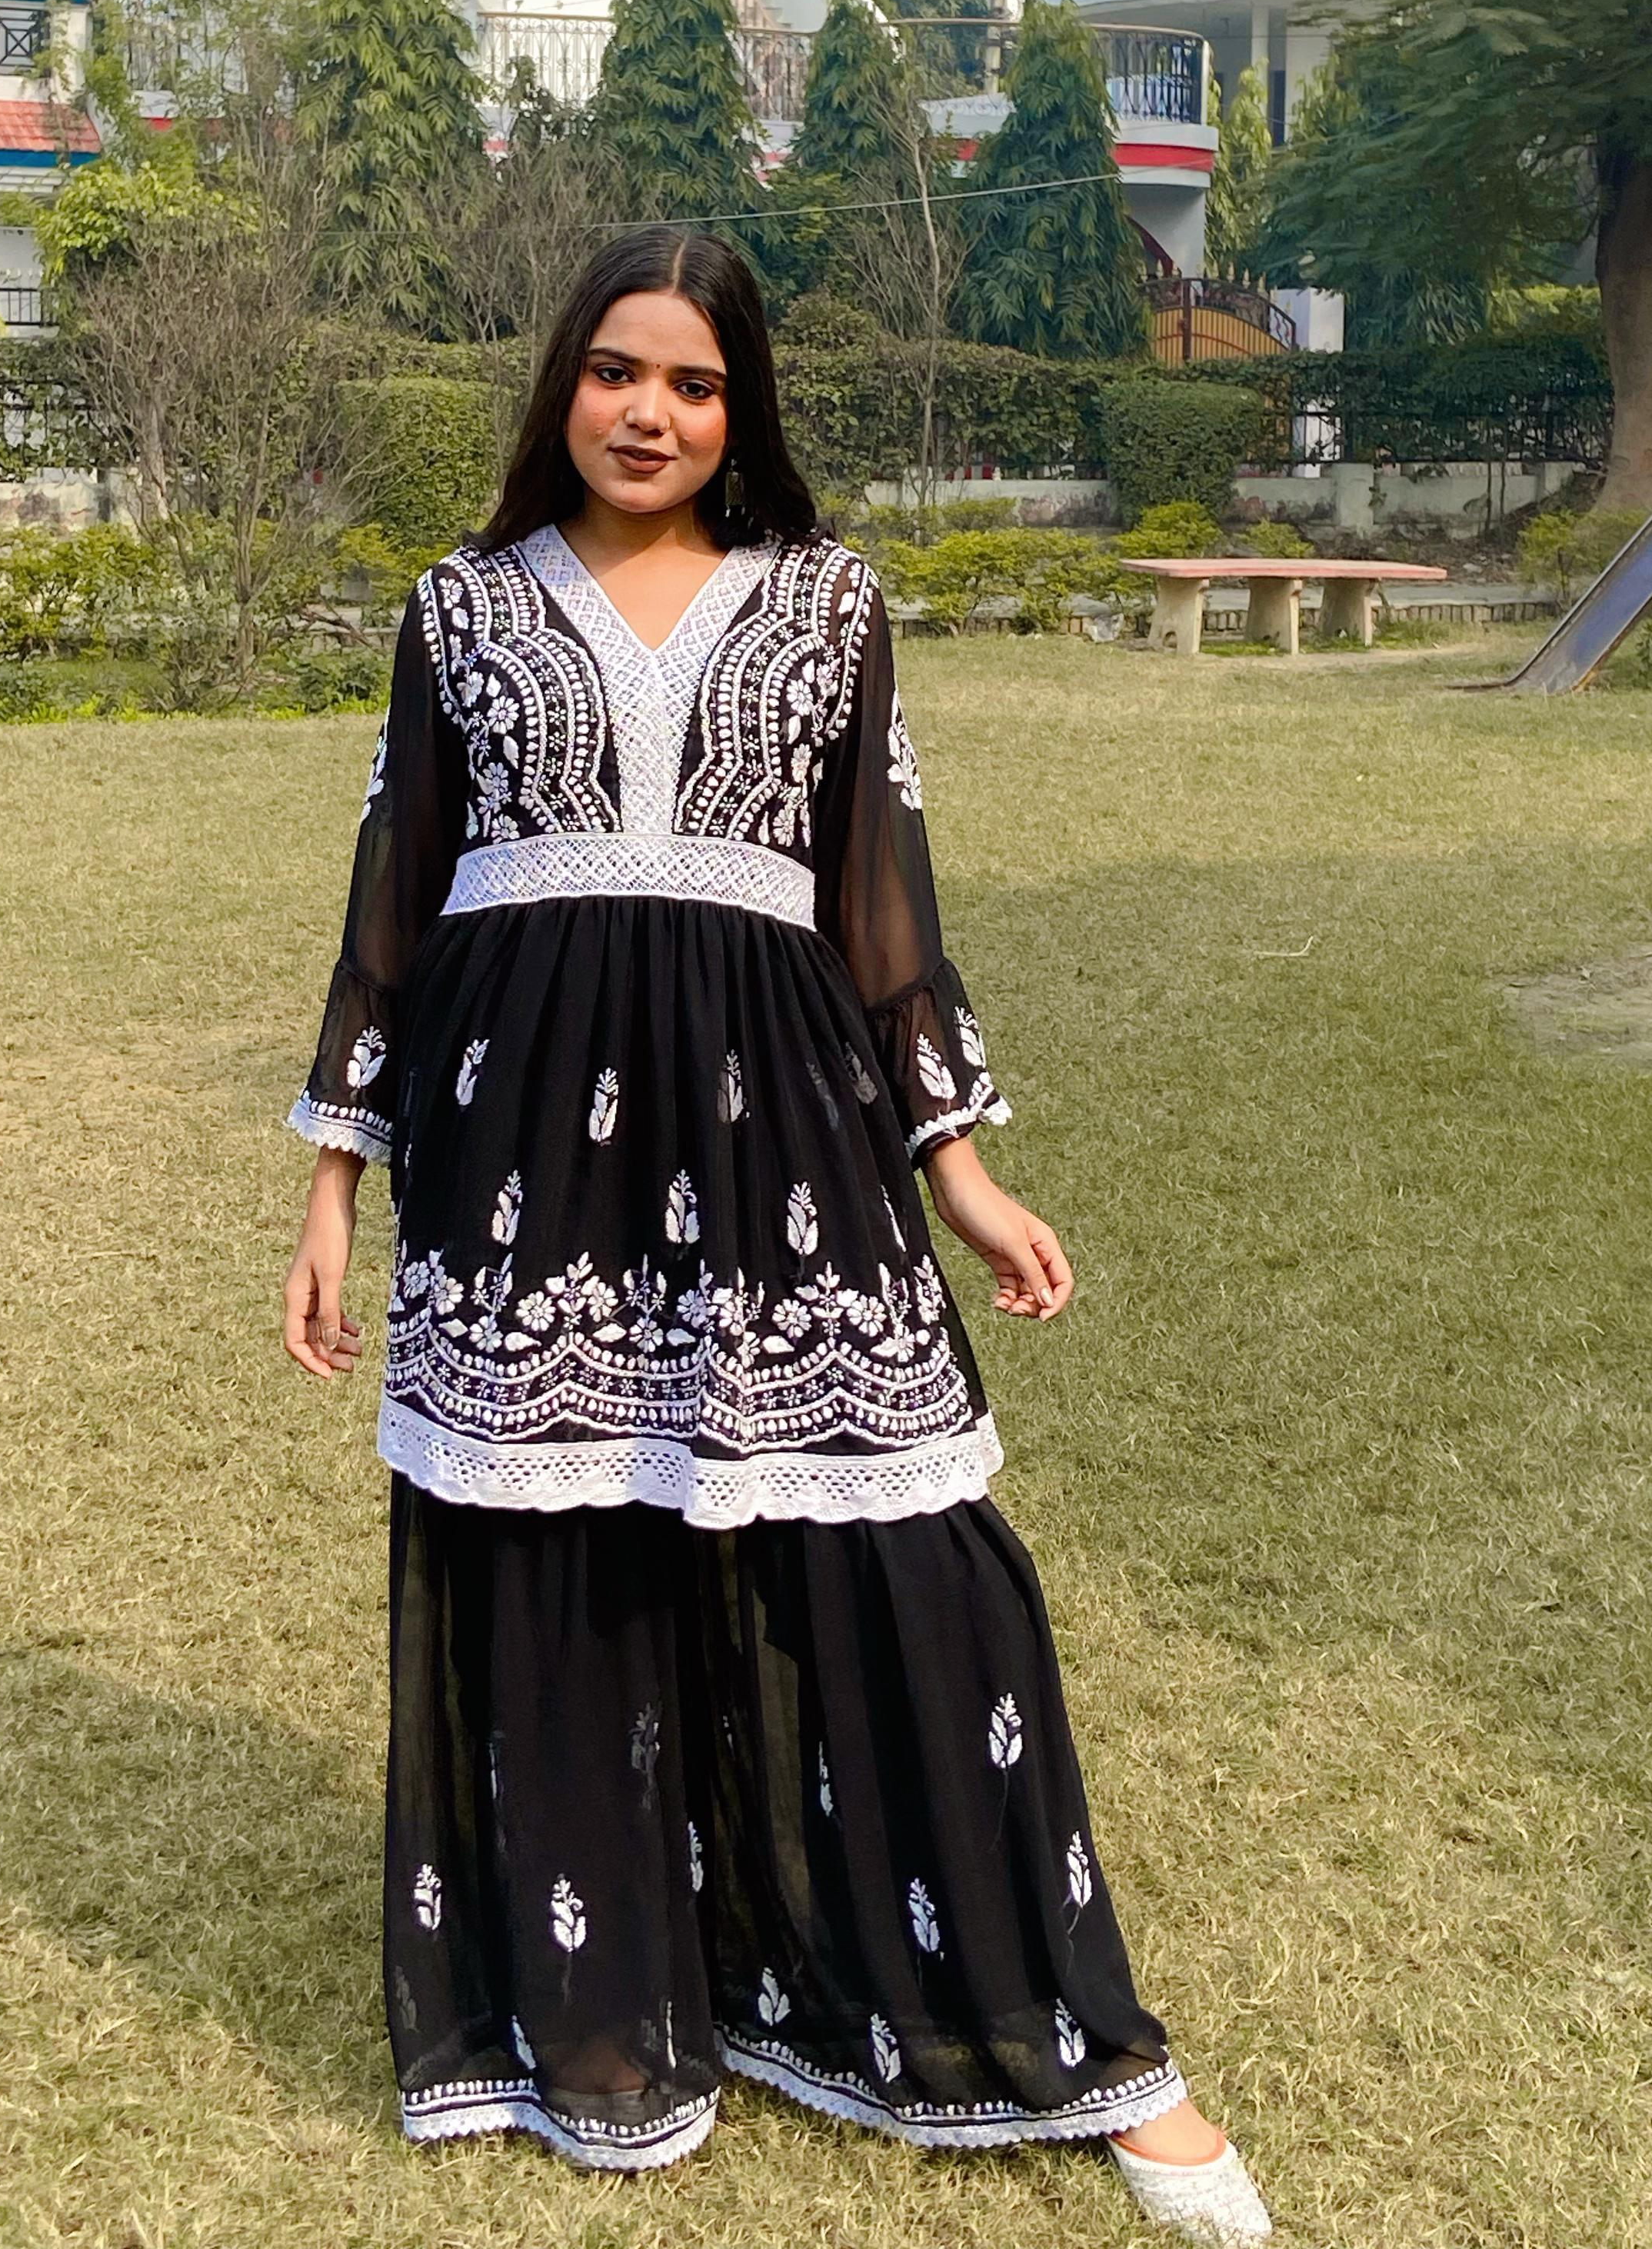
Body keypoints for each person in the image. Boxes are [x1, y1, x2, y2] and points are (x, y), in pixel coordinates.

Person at [281, 227, 1271, 2241]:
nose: (648, 414)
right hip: (520, 1145)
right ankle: (606, 2023)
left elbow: (881, 898)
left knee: (922, 1561)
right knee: (566, 1553)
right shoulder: (463, 606)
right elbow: (397, 888)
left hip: (783, 1136)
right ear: (563, 381)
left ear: (743, 410)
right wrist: (332, 1185)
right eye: (615, 371)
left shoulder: (827, 603)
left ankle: (1068, 2036)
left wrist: (960, 1171)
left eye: (695, 384)